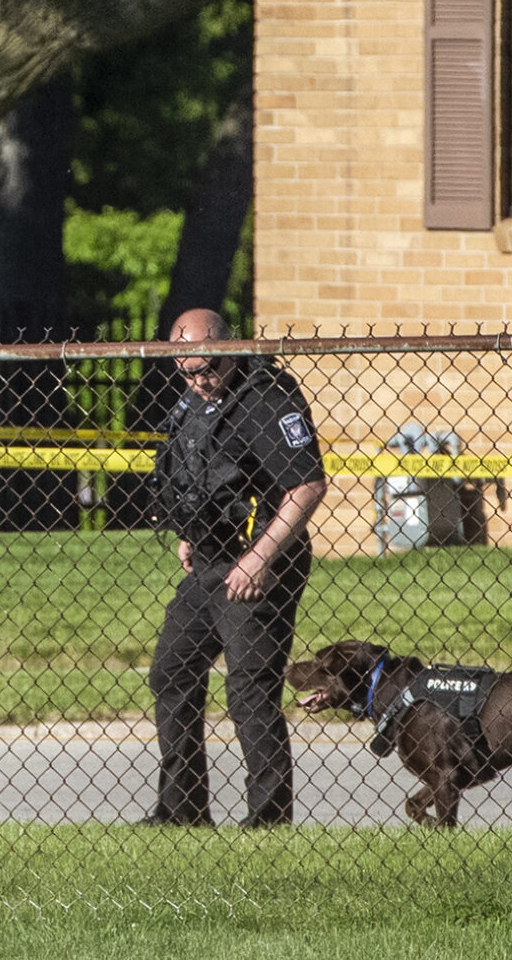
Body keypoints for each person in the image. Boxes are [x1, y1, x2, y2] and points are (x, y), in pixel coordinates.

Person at [145, 307, 327, 828]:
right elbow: (198, 473)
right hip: (207, 561)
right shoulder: (196, 399)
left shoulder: (267, 398)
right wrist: (189, 533)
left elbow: (308, 486)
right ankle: (182, 810)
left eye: (208, 368)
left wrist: (258, 558)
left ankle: (267, 820)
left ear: (230, 348)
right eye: (186, 371)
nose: (200, 381)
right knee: (171, 672)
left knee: (249, 690)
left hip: (260, 563)